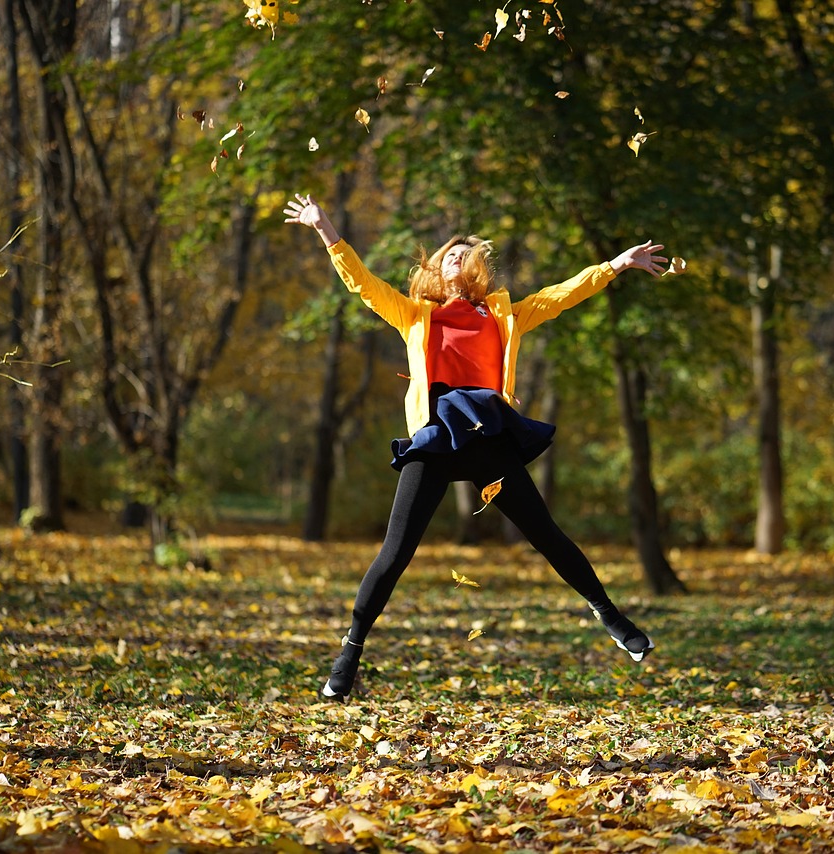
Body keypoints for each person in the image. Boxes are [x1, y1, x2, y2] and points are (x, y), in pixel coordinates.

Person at [283, 193, 666, 700]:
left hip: (487, 438)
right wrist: (325, 228)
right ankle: (349, 652)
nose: (457, 257)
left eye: (465, 253)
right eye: (449, 254)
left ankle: (613, 619)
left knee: (546, 533)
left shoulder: (502, 315)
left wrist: (615, 264)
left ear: (479, 267)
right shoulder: (415, 314)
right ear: (437, 271)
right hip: (437, 438)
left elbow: (561, 294)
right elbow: (363, 285)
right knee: (395, 553)